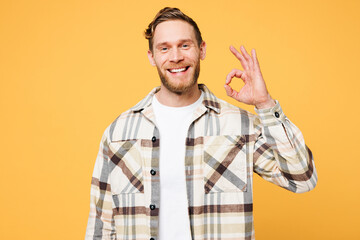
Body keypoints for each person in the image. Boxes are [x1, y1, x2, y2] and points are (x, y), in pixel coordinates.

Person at [85, 7, 317, 240]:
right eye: (164, 48)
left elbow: (303, 179)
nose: (175, 56)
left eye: (185, 45)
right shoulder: (119, 133)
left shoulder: (240, 126)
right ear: (151, 56)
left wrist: (265, 105)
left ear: (202, 49)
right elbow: (101, 225)